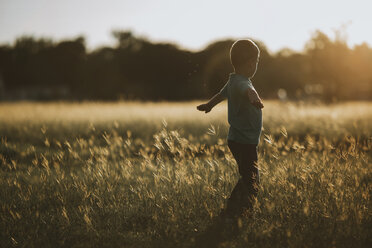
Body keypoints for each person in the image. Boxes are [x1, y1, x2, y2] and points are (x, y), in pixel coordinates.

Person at [196, 39, 264, 221]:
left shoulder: (232, 81)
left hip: (236, 139)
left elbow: (220, 95)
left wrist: (209, 105)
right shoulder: (244, 83)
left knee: (248, 176)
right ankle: (240, 210)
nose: (256, 65)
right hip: (245, 141)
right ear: (251, 63)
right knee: (252, 180)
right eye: (256, 62)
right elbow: (250, 92)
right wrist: (255, 100)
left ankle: (236, 208)